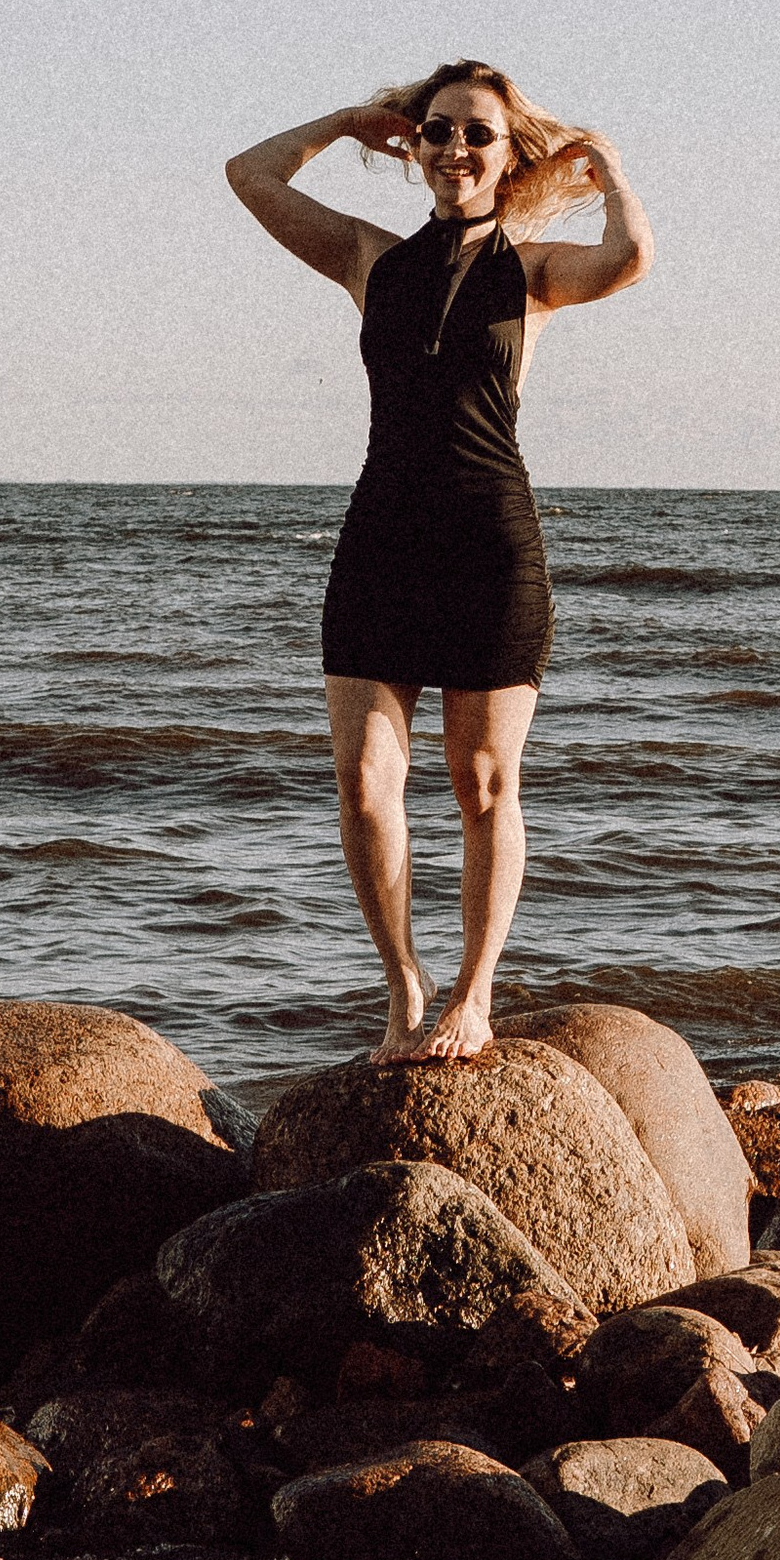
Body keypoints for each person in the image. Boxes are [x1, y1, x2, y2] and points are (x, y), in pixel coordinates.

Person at [225, 62, 648, 1059]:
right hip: (380, 538)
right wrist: (340, 118)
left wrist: (609, 171)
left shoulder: (532, 270)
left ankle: (475, 994)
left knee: (483, 784)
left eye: (477, 136)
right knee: (364, 779)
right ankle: (404, 987)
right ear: (412, 144)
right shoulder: (370, 260)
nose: (455, 148)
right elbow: (250, 175)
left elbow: (629, 258)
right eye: (437, 131)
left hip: (488, 542)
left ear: (507, 158)